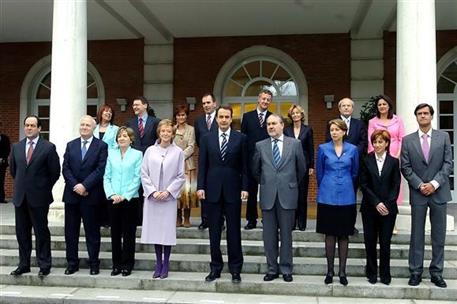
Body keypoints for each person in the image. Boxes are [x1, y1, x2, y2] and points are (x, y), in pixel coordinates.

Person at [401, 103, 452, 288]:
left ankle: (436, 273)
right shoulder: (408, 140)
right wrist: (420, 184)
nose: (423, 116)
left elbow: (448, 163)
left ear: (431, 116)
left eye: (426, 113)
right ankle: (415, 272)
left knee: (439, 236)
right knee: (417, 235)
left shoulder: (444, 137)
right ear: (416, 117)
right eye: (419, 114)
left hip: (439, 192)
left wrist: (434, 184)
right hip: (418, 193)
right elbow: (405, 167)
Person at [197, 105, 248, 284]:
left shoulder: (240, 138)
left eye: (227, 117)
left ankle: (235, 269)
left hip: (233, 191)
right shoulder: (206, 138)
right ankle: (215, 268)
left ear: (231, 118)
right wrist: (200, 186)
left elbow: (245, 167)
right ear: (217, 118)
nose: (224, 120)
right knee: (214, 233)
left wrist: (245, 188)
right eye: (221, 117)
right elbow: (202, 164)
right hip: (212, 191)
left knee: (234, 232)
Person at [252, 114, 306, 283]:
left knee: (286, 235)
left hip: (287, 195)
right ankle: (272, 269)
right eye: (268, 124)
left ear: (282, 125)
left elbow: (301, 169)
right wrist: (267, 183)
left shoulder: (295, 144)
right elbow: (255, 170)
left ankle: (286, 269)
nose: (271, 126)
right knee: (269, 236)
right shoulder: (260, 146)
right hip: (268, 196)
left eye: (274, 123)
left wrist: (289, 183)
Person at [9, 115, 60, 277]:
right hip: (20, 197)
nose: (29, 128)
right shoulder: (16, 147)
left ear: (39, 128)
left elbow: (54, 173)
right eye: (27, 125)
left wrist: (42, 187)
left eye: (32, 125)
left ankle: (44, 264)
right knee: (22, 233)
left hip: (39, 197)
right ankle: (24, 264)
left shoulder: (48, 148)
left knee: (41, 232)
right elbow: (13, 171)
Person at [62, 115, 108, 275]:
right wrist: (76, 185)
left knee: (92, 232)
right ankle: (72, 263)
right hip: (72, 195)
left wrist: (85, 185)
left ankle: (94, 263)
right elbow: (65, 168)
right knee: (70, 232)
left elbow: (100, 169)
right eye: (82, 124)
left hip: (91, 195)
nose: (84, 127)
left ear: (93, 127)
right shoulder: (71, 145)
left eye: (87, 125)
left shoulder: (101, 146)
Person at [140, 119, 185, 279]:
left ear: (172, 134)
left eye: (168, 131)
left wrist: (168, 191)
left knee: (166, 232)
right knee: (155, 232)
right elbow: (144, 173)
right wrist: (152, 191)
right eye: (163, 131)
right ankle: (158, 262)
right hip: (153, 198)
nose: (165, 134)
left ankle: (166, 263)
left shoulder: (178, 152)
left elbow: (181, 176)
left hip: (168, 199)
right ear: (159, 133)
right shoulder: (150, 151)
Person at [317, 119, 359, 286]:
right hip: (327, 195)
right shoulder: (322, 149)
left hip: (347, 196)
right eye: (332, 129)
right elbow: (319, 173)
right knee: (329, 234)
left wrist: (346, 185)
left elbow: (355, 172)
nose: (334, 132)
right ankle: (329, 271)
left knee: (344, 234)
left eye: (337, 129)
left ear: (344, 132)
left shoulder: (353, 149)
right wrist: (328, 186)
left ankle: (342, 271)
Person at [360, 130, 400, 285]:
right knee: (370, 242)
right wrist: (376, 202)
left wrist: (387, 204)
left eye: (380, 142)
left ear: (387, 143)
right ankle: (371, 272)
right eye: (375, 142)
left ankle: (385, 273)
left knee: (385, 243)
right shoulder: (366, 160)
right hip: (369, 208)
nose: (377, 145)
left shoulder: (394, 161)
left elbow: (396, 185)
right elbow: (363, 184)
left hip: (388, 209)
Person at [103, 127, 142, 277]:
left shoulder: (137, 154)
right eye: (119, 136)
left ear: (131, 139)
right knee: (115, 233)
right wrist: (112, 194)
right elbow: (106, 176)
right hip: (113, 200)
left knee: (129, 233)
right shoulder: (111, 154)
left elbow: (137, 177)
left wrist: (125, 195)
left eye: (125, 136)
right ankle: (116, 264)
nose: (121, 138)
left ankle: (127, 264)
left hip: (130, 199)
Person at [241, 89, 273, 230]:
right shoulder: (247, 117)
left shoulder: (273, 118)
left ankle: (267, 219)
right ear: (258, 99)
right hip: (251, 160)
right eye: (263, 98)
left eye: (268, 99)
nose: (265, 101)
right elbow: (243, 139)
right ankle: (251, 220)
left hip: (268, 160)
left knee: (268, 191)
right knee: (252, 191)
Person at [368, 95, 405, 212]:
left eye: (384, 104)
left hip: (394, 154)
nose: (382, 106)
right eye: (379, 105)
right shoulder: (372, 121)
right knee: (378, 182)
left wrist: (397, 156)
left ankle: (391, 211)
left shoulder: (398, 120)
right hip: (377, 154)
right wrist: (371, 158)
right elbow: (370, 140)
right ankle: (378, 208)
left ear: (389, 106)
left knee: (393, 183)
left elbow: (402, 139)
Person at [284, 104, 314, 231]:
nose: (295, 115)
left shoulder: (308, 130)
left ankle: (301, 223)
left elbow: (310, 148)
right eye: (293, 113)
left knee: (302, 195)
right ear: (290, 115)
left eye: (298, 113)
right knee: (291, 195)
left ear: (302, 115)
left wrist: (311, 165)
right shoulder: (287, 130)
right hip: (289, 166)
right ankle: (291, 222)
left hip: (304, 166)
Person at [193, 93, 218, 230]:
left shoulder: (221, 118)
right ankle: (205, 219)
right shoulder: (199, 121)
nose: (206, 106)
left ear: (214, 103)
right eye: (204, 103)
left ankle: (219, 220)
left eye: (208, 103)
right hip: (204, 159)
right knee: (203, 188)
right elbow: (198, 140)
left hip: (219, 159)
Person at [94, 104, 119, 227]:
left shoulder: (115, 129)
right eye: (106, 112)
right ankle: (97, 218)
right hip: (94, 163)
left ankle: (107, 219)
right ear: (101, 113)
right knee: (96, 191)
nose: (108, 114)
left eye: (110, 112)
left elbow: (116, 146)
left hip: (109, 163)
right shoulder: (94, 128)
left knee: (107, 191)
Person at [174, 105, 196, 228]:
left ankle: (187, 218)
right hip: (174, 165)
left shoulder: (191, 129)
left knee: (187, 192)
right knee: (177, 192)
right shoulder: (172, 129)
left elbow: (192, 146)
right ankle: (178, 218)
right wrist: (175, 157)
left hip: (188, 164)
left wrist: (180, 155)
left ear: (186, 116)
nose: (181, 117)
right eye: (178, 115)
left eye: (183, 115)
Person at [0, 131, 11, 204]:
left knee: (1, 180)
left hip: (2, 163)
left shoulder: (5, 138)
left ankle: (1, 198)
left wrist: (2, 158)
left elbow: (8, 149)